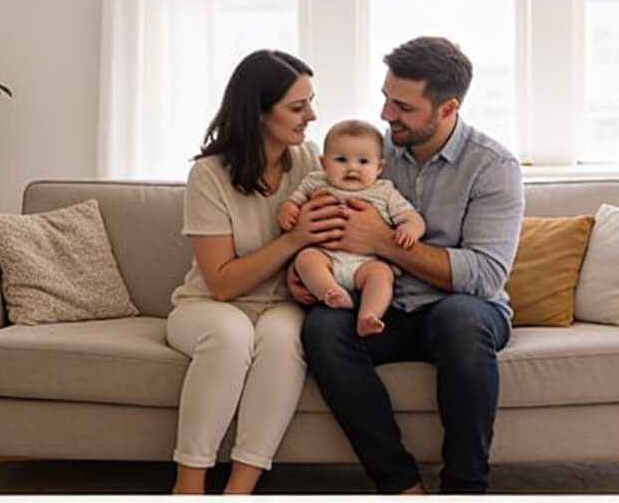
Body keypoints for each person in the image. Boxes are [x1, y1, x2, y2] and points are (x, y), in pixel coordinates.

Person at [295, 37, 523, 495]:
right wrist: (301, 270)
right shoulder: (367, 155)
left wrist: (386, 244)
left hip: (462, 307)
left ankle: (465, 487)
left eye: (402, 106)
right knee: (322, 328)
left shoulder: (493, 166)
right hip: (384, 305)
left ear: (447, 108)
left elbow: (484, 275)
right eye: (385, 97)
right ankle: (400, 485)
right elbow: (319, 222)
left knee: (460, 319)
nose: (386, 114)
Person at [165, 48, 336, 495]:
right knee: (230, 335)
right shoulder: (209, 175)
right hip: (209, 304)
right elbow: (221, 283)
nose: (311, 116)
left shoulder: (310, 161)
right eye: (297, 107)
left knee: (283, 339)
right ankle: (189, 484)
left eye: (310, 102)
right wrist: (292, 241)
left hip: (282, 304)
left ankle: (239, 488)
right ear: (258, 112)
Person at [278, 118, 423, 334]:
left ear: (379, 167)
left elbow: (412, 217)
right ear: (324, 163)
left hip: (366, 263)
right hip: (326, 256)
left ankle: (369, 315)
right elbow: (292, 202)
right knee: (305, 259)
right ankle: (332, 293)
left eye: (363, 162)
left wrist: (409, 229)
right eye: (341, 160)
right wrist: (287, 211)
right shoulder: (315, 182)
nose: (352, 168)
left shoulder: (384, 191)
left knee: (382, 274)